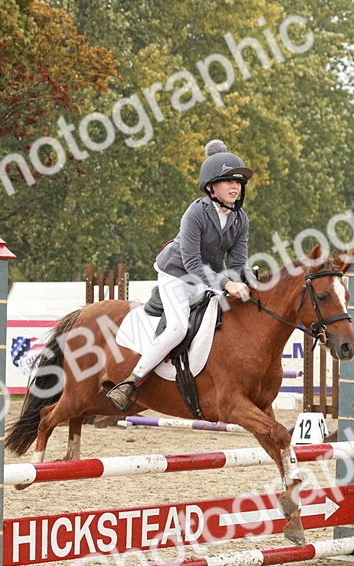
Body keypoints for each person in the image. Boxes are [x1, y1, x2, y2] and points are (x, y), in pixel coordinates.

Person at [106, 139, 254, 411]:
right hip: (177, 274)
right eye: (228, 181)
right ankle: (132, 381)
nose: (236, 186)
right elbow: (192, 263)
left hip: (205, 276)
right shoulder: (195, 213)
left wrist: (247, 283)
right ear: (211, 187)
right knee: (178, 328)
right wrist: (225, 283)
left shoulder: (240, 219)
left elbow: (236, 264)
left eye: (239, 182)